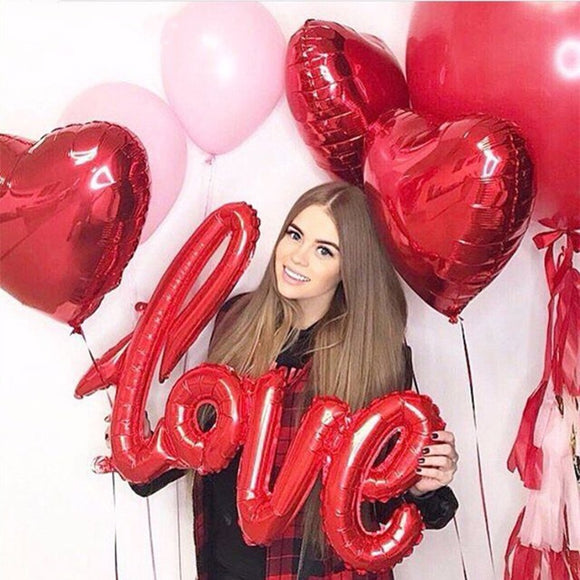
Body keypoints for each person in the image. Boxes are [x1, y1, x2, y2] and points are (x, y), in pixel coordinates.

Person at [128, 182, 459, 580]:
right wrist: (142, 449)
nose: (297, 257)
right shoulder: (239, 320)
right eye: (295, 234)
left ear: (350, 267)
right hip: (226, 568)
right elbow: (206, 438)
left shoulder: (374, 356)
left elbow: (375, 501)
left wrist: (423, 486)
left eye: (325, 250)